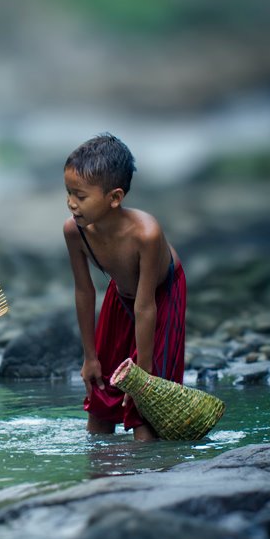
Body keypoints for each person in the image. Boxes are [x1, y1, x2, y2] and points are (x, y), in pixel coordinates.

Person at [62, 133, 186, 441]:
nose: (71, 203)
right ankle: (100, 482)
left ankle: (146, 475)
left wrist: (141, 378)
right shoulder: (74, 231)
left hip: (160, 296)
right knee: (100, 397)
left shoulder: (146, 234)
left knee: (145, 410)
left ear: (114, 198)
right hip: (120, 296)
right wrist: (90, 356)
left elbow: (146, 306)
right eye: (68, 192)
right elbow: (84, 291)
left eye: (80, 195)